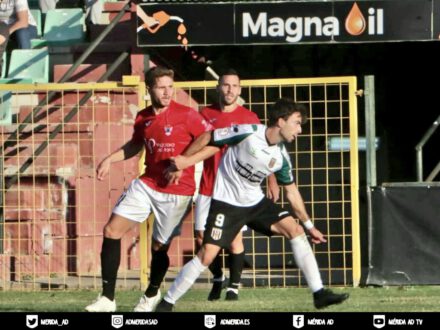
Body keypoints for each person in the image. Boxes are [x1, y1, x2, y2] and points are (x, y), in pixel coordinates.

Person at [156, 98, 349, 311]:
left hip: (255, 203)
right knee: (207, 254)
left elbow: (291, 192)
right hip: (227, 204)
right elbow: (209, 136)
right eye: (297, 122)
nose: (300, 130)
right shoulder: (248, 132)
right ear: (280, 121)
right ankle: (167, 302)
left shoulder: (281, 156)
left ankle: (319, 293)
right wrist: (183, 161)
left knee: (295, 229)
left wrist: (310, 226)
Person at [85, 66, 212, 312]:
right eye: (161, 87)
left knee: (159, 247)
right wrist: (110, 159)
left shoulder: (187, 114)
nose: (167, 92)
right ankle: (107, 299)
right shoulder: (143, 117)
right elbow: (135, 145)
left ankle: (152, 293)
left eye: (170, 87)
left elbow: (208, 137)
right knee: (111, 230)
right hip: (147, 183)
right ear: (150, 88)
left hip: (177, 191)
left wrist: (183, 161)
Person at [194, 68, 279, 301]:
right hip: (208, 184)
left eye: (234, 86)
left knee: (233, 240)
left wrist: (271, 178)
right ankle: (218, 277)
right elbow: (196, 143)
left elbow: (266, 151)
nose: (230, 90)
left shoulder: (249, 118)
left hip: (234, 188)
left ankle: (234, 287)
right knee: (202, 237)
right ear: (218, 87)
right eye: (225, 85)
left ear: (239, 90)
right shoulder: (204, 114)